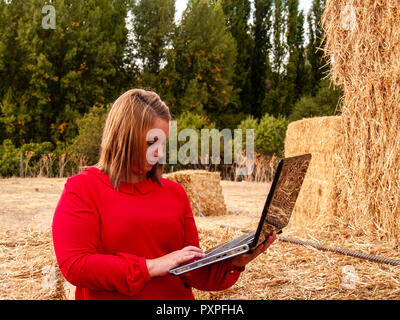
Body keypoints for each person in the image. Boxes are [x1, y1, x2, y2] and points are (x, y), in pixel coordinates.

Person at [52, 88, 276, 300]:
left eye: (163, 142)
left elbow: (191, 271)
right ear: (123, 137)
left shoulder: (175, 193)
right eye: (151, 142)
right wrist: (152, 266)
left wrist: (235, 261)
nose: (159, 152)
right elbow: (76, 266)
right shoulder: (82, 189)